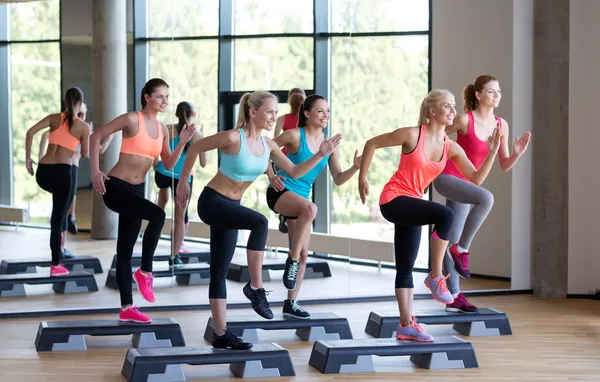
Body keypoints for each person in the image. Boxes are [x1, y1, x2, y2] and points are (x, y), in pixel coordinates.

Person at [175, 91, 341, 350]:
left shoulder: (269, 145)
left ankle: (221, 333)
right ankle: (256, 287)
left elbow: (296, 171)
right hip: (212, 201)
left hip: (232, 206)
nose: (274, 117)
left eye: (276, 112)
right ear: (253, 112)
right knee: (260, 222)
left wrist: (320, 154)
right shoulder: (233, 137)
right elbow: (196, 147)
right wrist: (183, 182)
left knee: (218, 272)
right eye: (269, 112)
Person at [358, 89, 502, 342]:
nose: (452, 111)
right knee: (445, 214)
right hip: (393, 199)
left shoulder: (451, 147)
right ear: (432, 111)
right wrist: (362, 177)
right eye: (447, 106)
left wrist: (492, 153)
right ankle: (436, 275)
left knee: (405, 267)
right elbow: (372, 143)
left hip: (412, 203)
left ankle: (405, 325)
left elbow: (476, 179)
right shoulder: (412, 135)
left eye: (454, 106)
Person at [90, 78, 195, 324]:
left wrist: (181, 142)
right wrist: (95, 171)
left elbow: (168, 164)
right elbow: (96, 136)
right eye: (160, 96)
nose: (165, 101)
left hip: (136, 191)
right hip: (115, 187)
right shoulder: (131, 119)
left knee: (124, 252)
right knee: (158, 215)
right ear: (146, 96)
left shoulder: (162, 130)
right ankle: (146, 271)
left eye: (167, 97)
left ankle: (127, 306)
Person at [433, 75, 531, 313]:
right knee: (486, 198)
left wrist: (516, 152)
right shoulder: (464, 120)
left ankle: (454, 296)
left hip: (467, 185)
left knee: (451, 239)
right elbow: (435, 137)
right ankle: (463, 250)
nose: (497, 95)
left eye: (499, 91)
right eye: (491, 91)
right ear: (478, 95)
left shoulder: (501, 125)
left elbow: (504, 164)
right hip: (447, 178)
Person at [265, 94, 361, 319]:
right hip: (281, 191)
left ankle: (291, 302)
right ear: (307, 114)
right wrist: (270, 174)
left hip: (301, 200)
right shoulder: (293, 136)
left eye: (327, 111)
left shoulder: (329, 145)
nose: (325, 115)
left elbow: (337, 178)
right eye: (320, 111)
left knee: (306, 253)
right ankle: (292, 258)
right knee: (311, 209)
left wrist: (355, 167)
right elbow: (264, 148)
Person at [24, 87, 91, 275]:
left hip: (43, 173)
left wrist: (28, 160)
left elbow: (30, 132)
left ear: (65, 102)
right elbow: (84, 154)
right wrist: (87, 134)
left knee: (59, 210)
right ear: (80, 104)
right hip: (63, 173)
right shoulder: (83, 126)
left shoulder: (54, 118)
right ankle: (56, 264)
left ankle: (60, 249)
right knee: (57, 219)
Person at [39, 103, 113, 236]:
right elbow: (45, 136)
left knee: (65, 210)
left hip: (70, 172)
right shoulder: (73, 130)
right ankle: (60, 245)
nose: (80, 117)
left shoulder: (82, 130)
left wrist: (107, 139)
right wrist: (41, 157)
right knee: (63, 211)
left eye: (82, 115)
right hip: (64, 171)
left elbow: (97, 150)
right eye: (79, 114)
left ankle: (62, 242)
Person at [153, 101, 207, 266]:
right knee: (179, 218)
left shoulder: (167, 128)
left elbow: (155, 152)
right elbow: (204, 164)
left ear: (176, 114)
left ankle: (158, 214)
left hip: (161, 173)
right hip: (181, 179)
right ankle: (174, 256)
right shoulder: (197, 135)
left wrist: (157, 164)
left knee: (160, 206)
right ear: (194, 115)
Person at [274, 87, 306, 234]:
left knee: (285, 189)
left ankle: (285, 214)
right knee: (296, 192)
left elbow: (275, 141)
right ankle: (287, 214)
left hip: (283, 159)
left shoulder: (282, 119)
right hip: (299, 160)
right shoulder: (306, 121)